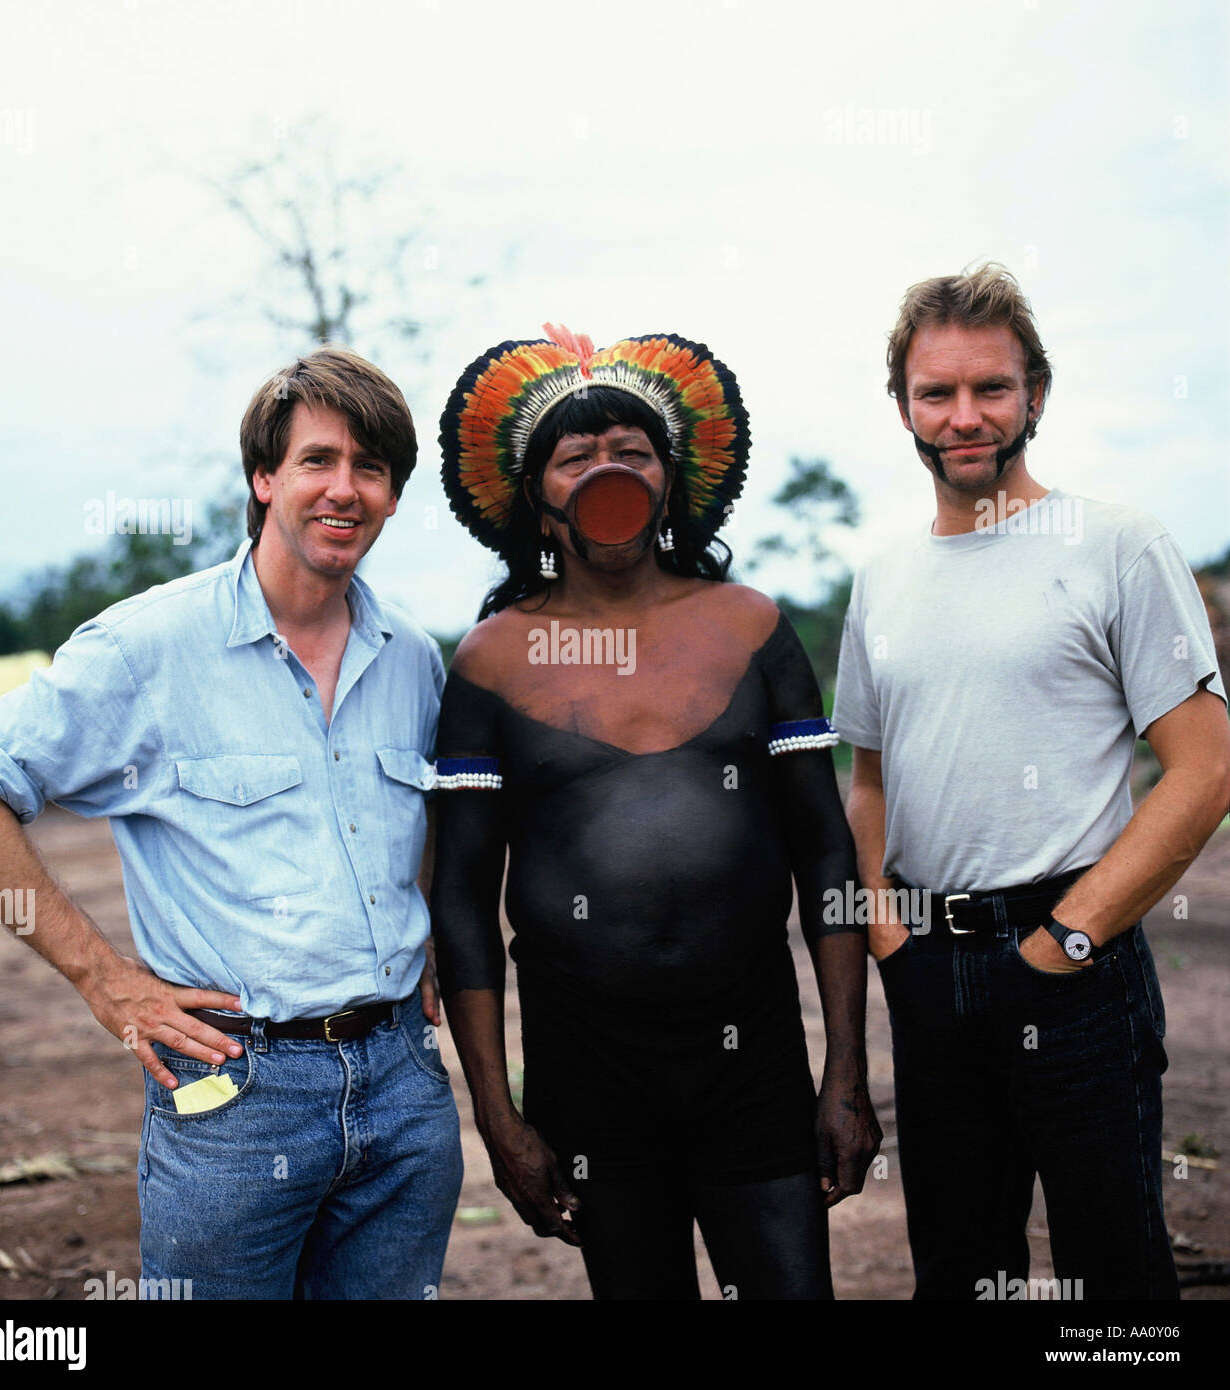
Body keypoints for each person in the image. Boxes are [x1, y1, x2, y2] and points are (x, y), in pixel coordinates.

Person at [0, 346, 463, 1299]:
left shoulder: (413, 659)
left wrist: (410, 934)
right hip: (234, 1095)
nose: (344, 489)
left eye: (371, 468)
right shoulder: (149, 648)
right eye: (317, 460)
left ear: (392, 497)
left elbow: (409, 824)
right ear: (263, 478)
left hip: (402, 1085)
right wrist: (108, 983)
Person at [431, 324, 880, 1300]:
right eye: (577, 455)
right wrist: (498, 1118)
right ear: (536, 501)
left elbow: (826, 857)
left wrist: (842, 1069)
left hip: (748, 1048)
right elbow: (460, 901)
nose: (606, 469)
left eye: (631, 452)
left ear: (670, 484)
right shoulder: (490, 661)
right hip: (583, 1063)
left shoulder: (750, 627)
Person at [834, 263, 1230, 1301]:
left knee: (1116, 1279)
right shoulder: (881, 577)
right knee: (960, 1276)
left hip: (1075, 962)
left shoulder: (1117, 546)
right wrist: (885, 932)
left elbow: (1204, 770)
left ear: (1035, 395)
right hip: (929, 967)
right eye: (935, 393)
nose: (963, 417)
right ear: (903, 407)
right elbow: (866, 776)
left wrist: (1064, 940)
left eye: (990, 389)